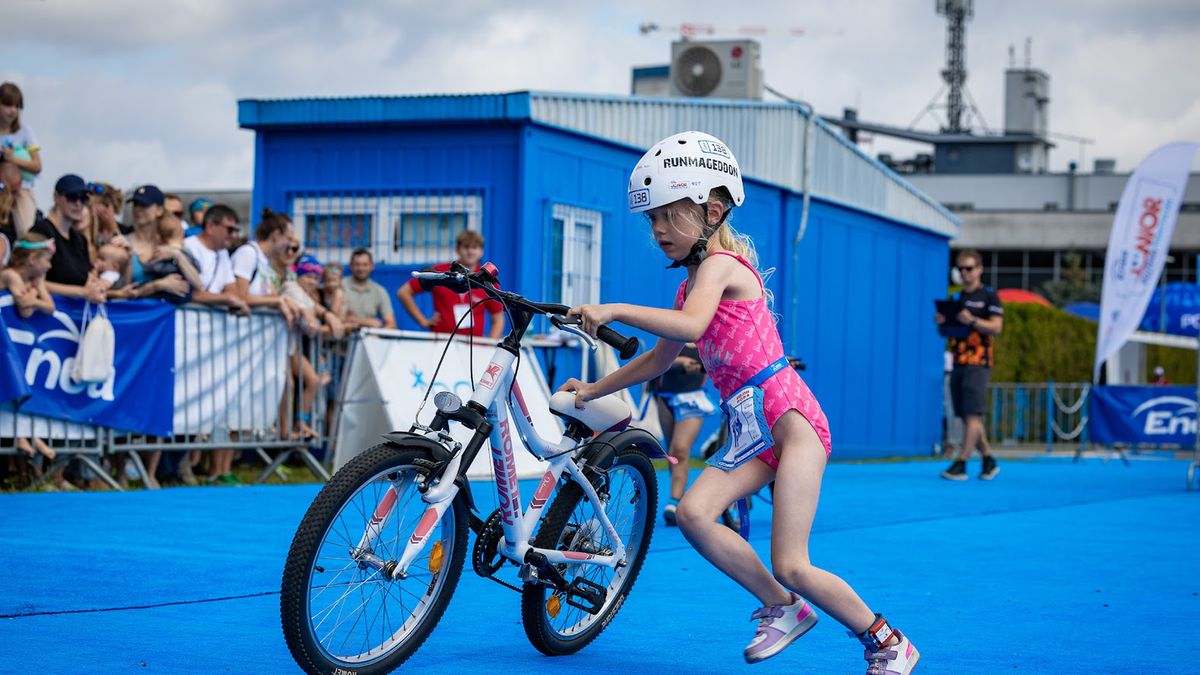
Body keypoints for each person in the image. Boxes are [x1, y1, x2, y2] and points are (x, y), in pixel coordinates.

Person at [556, 131, 919, 672]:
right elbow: (657, 360)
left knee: (793, 562)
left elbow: (691, 326)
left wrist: (614, 309)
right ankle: (782, 606)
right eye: (650, 219)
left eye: (668, 214)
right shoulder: (689, 286)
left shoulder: (722, 266)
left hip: (792, 423)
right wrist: (591, 390)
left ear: (713, 209)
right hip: (752, 429)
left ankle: (888, 641)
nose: (656, 230)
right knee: (698, 516)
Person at [935, 249, 1003, 481]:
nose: (965, 273)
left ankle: (961, 462)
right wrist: (943, 322)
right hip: (959, 361)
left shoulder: (989, 297)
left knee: (972, 414)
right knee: (966, 415)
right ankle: (988, 459)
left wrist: (972, 320)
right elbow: (948, 332)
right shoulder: (956, 298)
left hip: (979, 362)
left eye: (969, 268)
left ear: (979, 269)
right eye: (961, 269)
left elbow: (996, 327)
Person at [651, 343, 718, 525]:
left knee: (680, 449)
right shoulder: (671, 336)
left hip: (692, 400)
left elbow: (718, 363)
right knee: (671, 453)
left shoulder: (706, 339)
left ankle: (674, 500)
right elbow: (656, 361)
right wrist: (679, 361)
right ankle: (678, 497)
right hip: (665, 399)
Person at [397, 231, 503, 337]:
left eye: (474, 247)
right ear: (457, 249)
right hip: (441, 343)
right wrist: (423, 321)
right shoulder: (440, 272)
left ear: (481, 251)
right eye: (466, 247)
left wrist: (489, 347)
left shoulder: (486, 280)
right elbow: (404, 292)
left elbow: (498, 319)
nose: (470, 251)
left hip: (474, 346)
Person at [30, 175, 106, 302]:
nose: (78, 204)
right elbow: (32, 280)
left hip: (76, 313)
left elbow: (84, 279)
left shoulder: (80, 239)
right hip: (47, 314)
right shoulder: (41, 232)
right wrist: (82, 292)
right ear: (56, 197)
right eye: (72, 197)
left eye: (83, 198)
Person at [230, 208, 297, 322]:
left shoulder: (265, 261)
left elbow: (271, 296)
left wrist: (283, 301)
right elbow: (239, 297)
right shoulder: (248, 253)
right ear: (276, 235)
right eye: (288, 238)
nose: (290, 245)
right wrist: (277, 301)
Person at [182, 204, 250, 314]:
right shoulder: (187, 248)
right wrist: (227, 299)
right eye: (230, 229)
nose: (234, 235)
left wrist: (228, 298)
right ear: (210, 226)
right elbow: (189, 293)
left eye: (236, 230)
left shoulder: (222, 252)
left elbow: (231, 289)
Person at [0, 82, 42, 235]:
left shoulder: (25, 131)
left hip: (22, 188)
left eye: (17, 106)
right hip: (1, 188)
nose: (12, 111)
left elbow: (37, 166)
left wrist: (13, 158)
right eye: (8, 105)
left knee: (26, 230)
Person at [341, 248, 395, 329]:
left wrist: (378, 336)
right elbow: (336, 319)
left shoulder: (379, 290)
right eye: (357, 264)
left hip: (370, 338)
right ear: (350, 265)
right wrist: (367, 322)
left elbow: (391, 324)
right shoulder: (340, 286)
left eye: (365, 264)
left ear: (372, 266)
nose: (361, 269)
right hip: (343, 337)